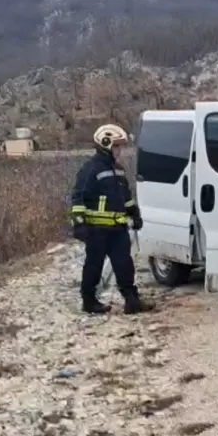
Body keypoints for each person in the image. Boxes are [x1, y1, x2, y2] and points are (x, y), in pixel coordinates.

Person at [69, 124, 154, 315]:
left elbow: (126, 196)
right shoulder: (90, 169)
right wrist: (79, 224)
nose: (119, 150)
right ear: (105, 144)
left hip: (118, 230)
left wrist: (134, 212)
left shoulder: (119, 170)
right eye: (116, 146)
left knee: (125, 265)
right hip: (96, 230)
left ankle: (132, 301)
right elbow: (78, 197)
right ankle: (89, 301)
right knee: (94, 266)